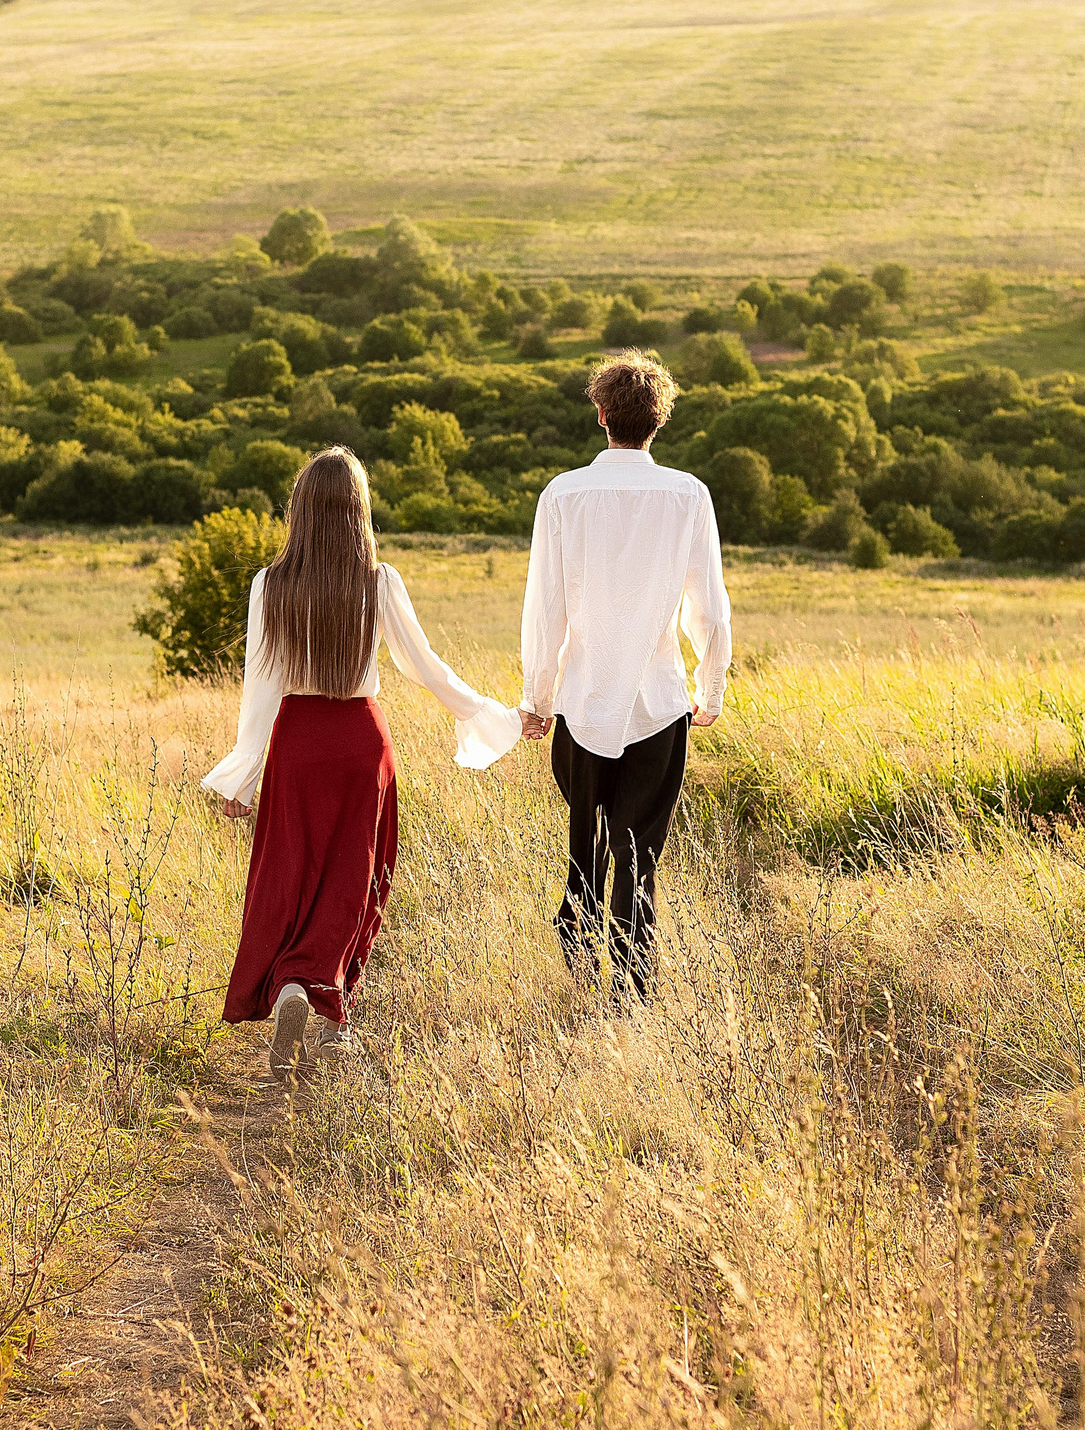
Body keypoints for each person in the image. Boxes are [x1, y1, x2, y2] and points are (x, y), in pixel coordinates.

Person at [204, 447, 523, 1080]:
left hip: (296, 744)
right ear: (359, 511)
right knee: (357, 876)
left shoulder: (270, 585)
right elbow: (424, 666)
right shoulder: (379, 581)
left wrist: (244, 768)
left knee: (293, 873)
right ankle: (328, 1009)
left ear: (299, 509)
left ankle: (298, 987)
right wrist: (490, 713)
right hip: (359, 744)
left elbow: (259, 688)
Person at [518, 350, 733, 1002]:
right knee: (638, 854)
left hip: (584, 703)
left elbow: (545, 607)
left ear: (603, 414)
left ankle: (577, 951)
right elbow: (710, 607)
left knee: (588, 840)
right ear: (657, 421)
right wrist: (711, 687)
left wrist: (537, 698)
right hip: (661, 703)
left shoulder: (563, 494)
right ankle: (630, 990)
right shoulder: (688, 495)